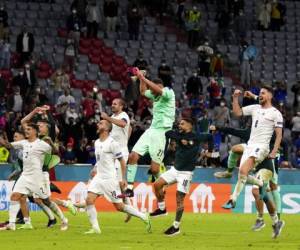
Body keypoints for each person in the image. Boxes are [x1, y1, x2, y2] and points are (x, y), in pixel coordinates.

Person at [84, 119, 151, 234]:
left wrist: (123, 178)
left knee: (119, 206)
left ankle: (143, 216)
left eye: (101, 123)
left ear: (106, 128)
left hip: (110, 179)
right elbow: (100, 160)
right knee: (89, 200)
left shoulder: (112, 143)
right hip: (99, 177)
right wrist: (95, 168)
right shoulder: (97, 142)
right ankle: (96, 228)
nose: (98, 124)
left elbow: (122, 161)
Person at [150, 118, 214, 236]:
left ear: (190, 125)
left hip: (186, 174)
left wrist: (210, 151)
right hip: (175, 170)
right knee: (157, 184)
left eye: (182, 123)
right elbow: (167, 133)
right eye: (179, 123)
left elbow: (210, 137)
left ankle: (176, 227)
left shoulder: (197, 137)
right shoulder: (178, 135)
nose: (180, 125)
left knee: (179, 199)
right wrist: (180, 137)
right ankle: (162, 208)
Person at [222, 86, 283, 210]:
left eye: (263, 93)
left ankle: (232, 199)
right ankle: (261, 184)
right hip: (250, 146)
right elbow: (237, 112)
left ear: (270, 96)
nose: (260, 95)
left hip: (262, 147)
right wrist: (235, 98)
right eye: (259, 93)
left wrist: (274, 151)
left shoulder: (276, 113)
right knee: (242, 173)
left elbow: (279, 135)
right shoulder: (255, 108)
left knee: (243, 170)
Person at [120, 68, 175, 198]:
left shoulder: (168, 92)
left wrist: (143, 78)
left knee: (155, 169)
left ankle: (164, 181)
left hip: (163, 133)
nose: (153, 95)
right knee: (133, 156)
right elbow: (143, 91)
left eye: (155, 90)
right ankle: (130, 188)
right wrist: (141, 79)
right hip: (152, 130)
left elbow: (158, 90)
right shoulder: (155, 94)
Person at [0, 123, 52, 231]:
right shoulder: (23, 143)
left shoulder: (42, 144)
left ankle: (64, 210)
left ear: (35, 131)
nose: (26, 131)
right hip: (25, 175)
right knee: (14, 196)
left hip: (36, 177)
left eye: (29, 129)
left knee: (45, 200)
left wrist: (51, 144)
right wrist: (1, 139)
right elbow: (8, 145)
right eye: (26, 129)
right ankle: (12, 224)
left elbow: (54, 152)